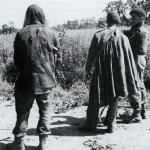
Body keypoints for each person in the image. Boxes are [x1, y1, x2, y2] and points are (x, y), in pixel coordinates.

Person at [7, 4, 61, 150]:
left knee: (23, 113)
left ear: (28, 15)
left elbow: (17, 61)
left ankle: (18, 144)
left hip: (25, 81)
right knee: (45, 113)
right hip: (46, 82)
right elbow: (59, 59)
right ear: (42, 16)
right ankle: (42, 144)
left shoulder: (21, 34)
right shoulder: (52, 34)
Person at [79, 11, 140, 133]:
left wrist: (87, 69)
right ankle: (111, 125)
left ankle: (91, 125)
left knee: (95, 96)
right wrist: (128, 75)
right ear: (117, 22)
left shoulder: (98, 35)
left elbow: (91, 56)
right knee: (115, 96)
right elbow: (128, 59)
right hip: (118, 74)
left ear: (107, 21)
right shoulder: (124, 38)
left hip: (101, 72)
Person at [123, 8, 149, 122]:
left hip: (137, 59)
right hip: (136, 59)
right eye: (132, 17)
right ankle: (142, 112)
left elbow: (142, 50)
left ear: (141, 18)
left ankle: (137, 113)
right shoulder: (135, 29)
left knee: (134, 85)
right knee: (140, 84)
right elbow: (127, 34)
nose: (132, 19)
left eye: (134, 17)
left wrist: (129, 47)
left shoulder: (141, 31)